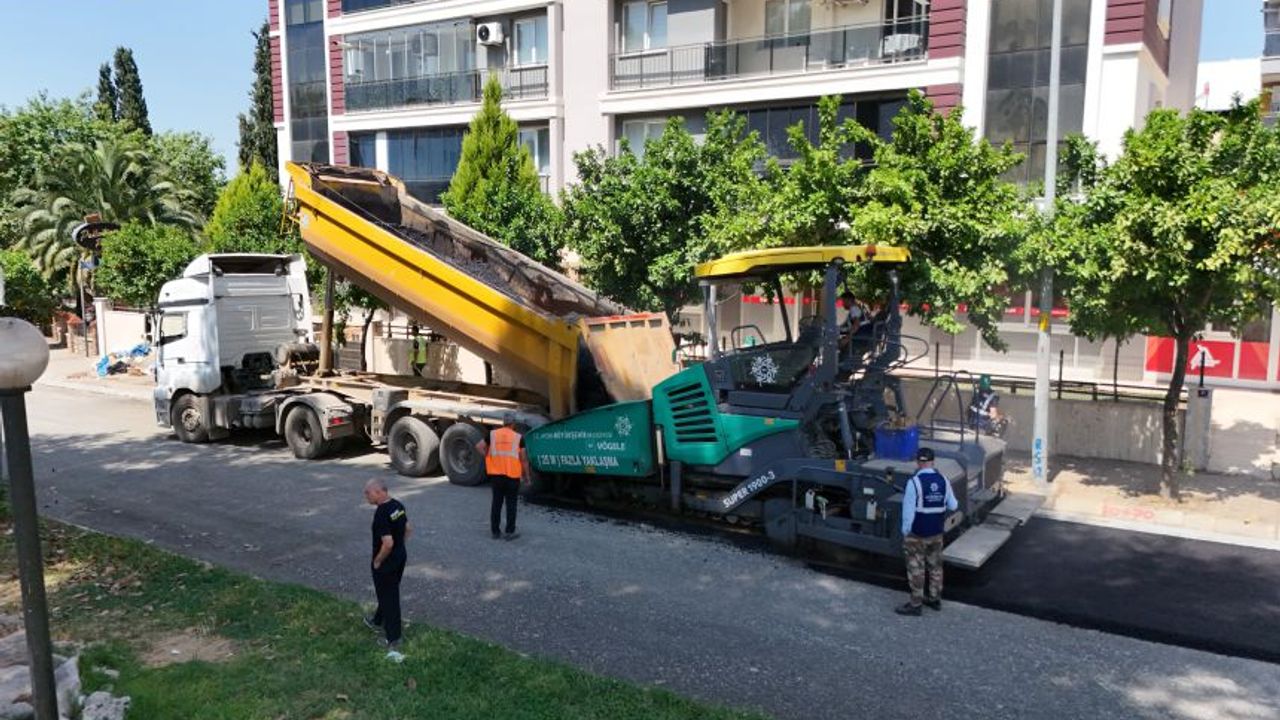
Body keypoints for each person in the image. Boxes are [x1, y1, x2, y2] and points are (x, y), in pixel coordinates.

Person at [896, 447, 958, 616]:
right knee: (935, 566)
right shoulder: (944, 480)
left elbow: (908, 512)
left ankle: (916, 605)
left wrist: (906, 531)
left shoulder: (914, 483)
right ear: (933, 462)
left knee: (916, 568)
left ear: (918, 462)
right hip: (936, 532)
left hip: (917, 534)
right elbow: (954, 505)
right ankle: (935, 599)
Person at [363, 478, 411, 656]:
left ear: (378, 492)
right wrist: (400, 546)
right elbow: (408, 528)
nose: (366, 496)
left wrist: (378, 560)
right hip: (400, 556)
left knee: (390, 597)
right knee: (387, 592)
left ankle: (394, 637)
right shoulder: (398, 505)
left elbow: (388, 543)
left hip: (386, 562)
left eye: (368, 493)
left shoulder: (381, 513)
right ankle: (377, 620)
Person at [476, 413, 529, 541]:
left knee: (496, 503)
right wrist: (526, 476)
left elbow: (478, 446)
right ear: (513, 424)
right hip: (512, 477)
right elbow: (523, 459)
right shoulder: (518, 437)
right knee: (511, 504)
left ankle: (495, 532)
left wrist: (487, 456)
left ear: (503, 422)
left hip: (496, 476)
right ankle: (509, 532)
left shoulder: (492, 434)